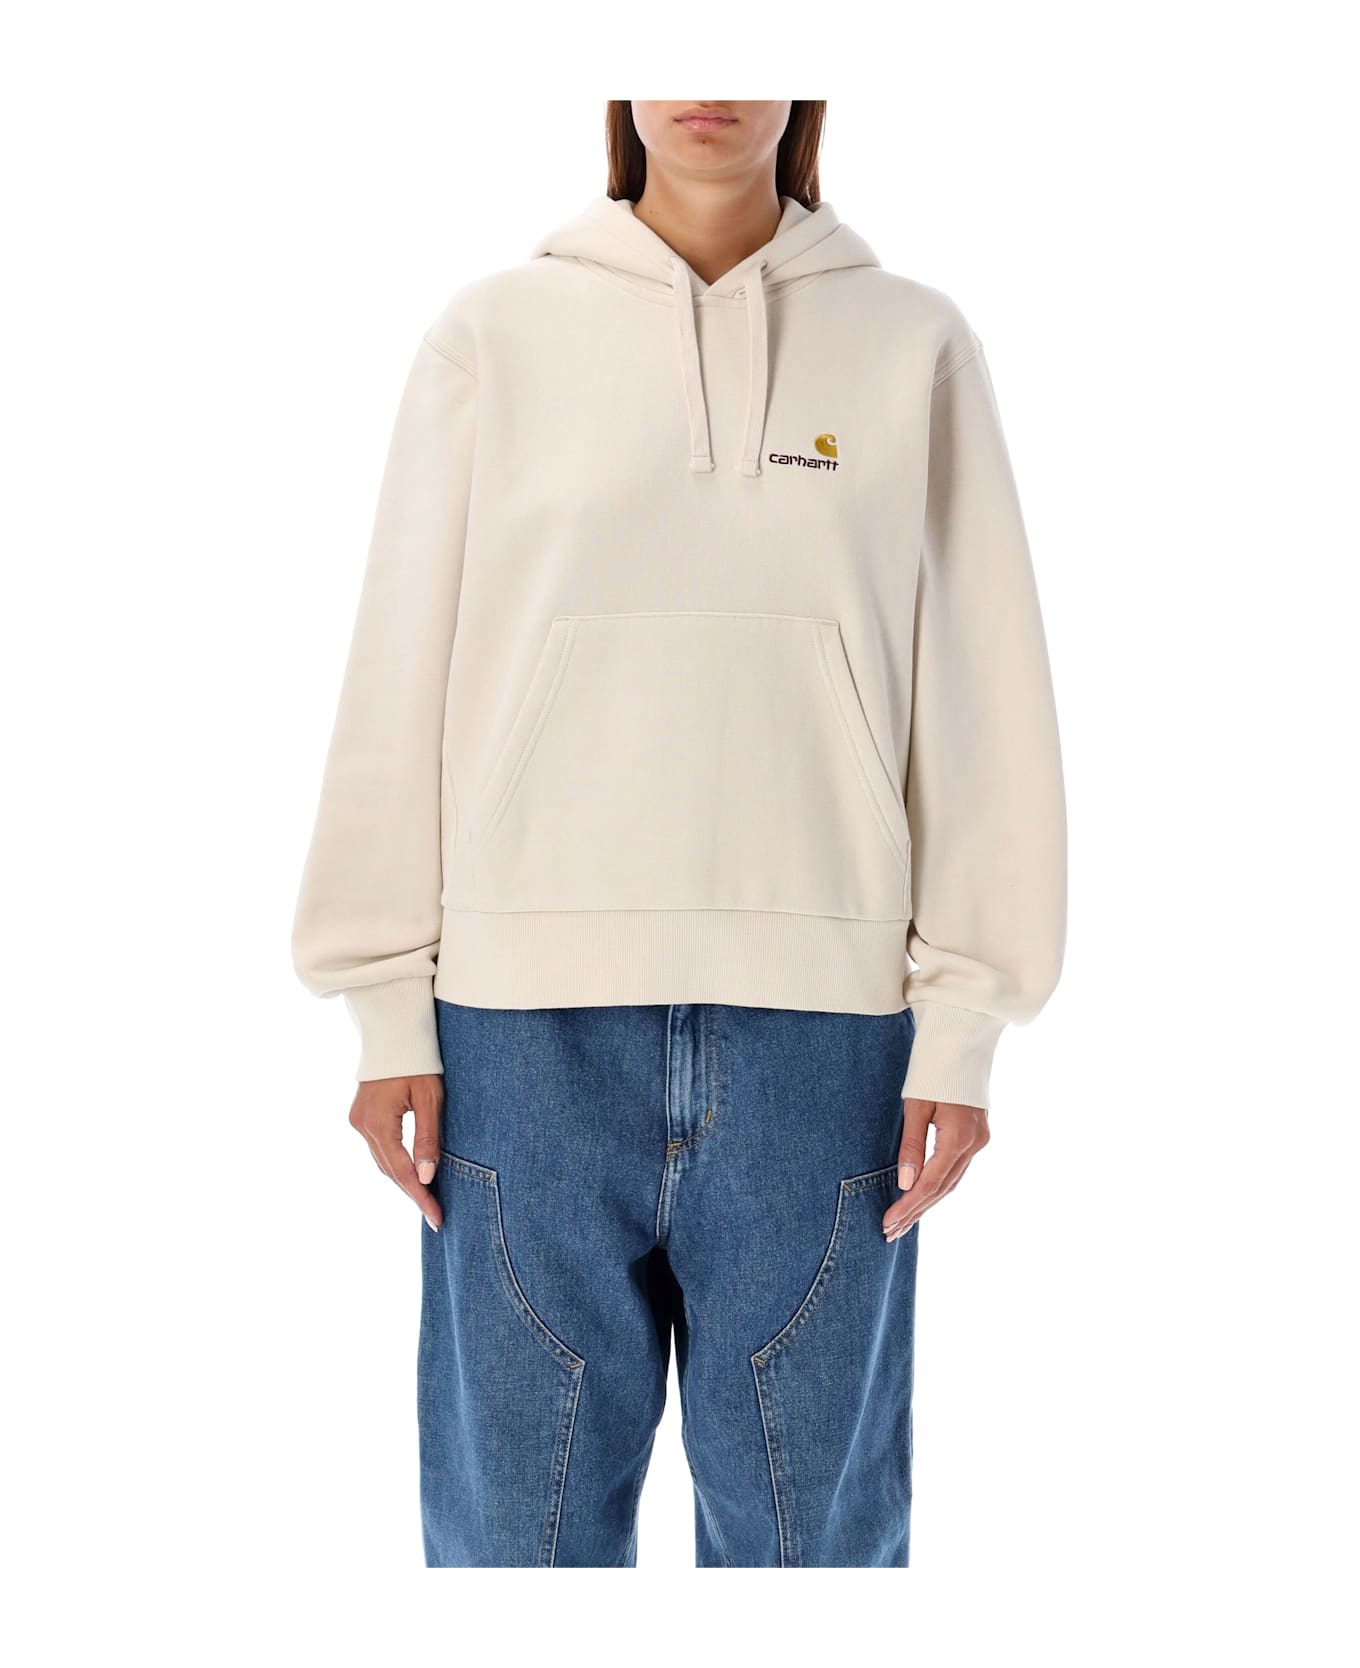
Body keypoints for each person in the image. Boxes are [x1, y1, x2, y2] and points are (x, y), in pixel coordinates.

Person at [290, 99, 1066, 1568]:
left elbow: (984, 696)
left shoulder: (912, 346)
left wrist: (966, 1022)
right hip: (520, 1038)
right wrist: (384, 998)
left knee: (812, 1560)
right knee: (513, 1560)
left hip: (828, 1042)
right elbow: (400, 669)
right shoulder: (493, 338)